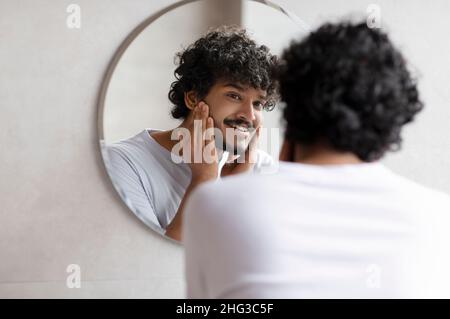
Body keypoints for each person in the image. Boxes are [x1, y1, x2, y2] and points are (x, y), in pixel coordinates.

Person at [183, 21, 450, 298]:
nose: (249, 114)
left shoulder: (211, 202)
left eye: (259, 103)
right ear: (388, 129)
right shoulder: (440, 217)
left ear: (291, 114)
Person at [104, 26, 279, 241]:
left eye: (258, 103)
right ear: (193, 99)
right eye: (234, 95)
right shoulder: (123, 163)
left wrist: (232, 188)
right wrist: (204, 180)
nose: (249, 115)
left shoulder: (260, 168)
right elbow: (153, 268)